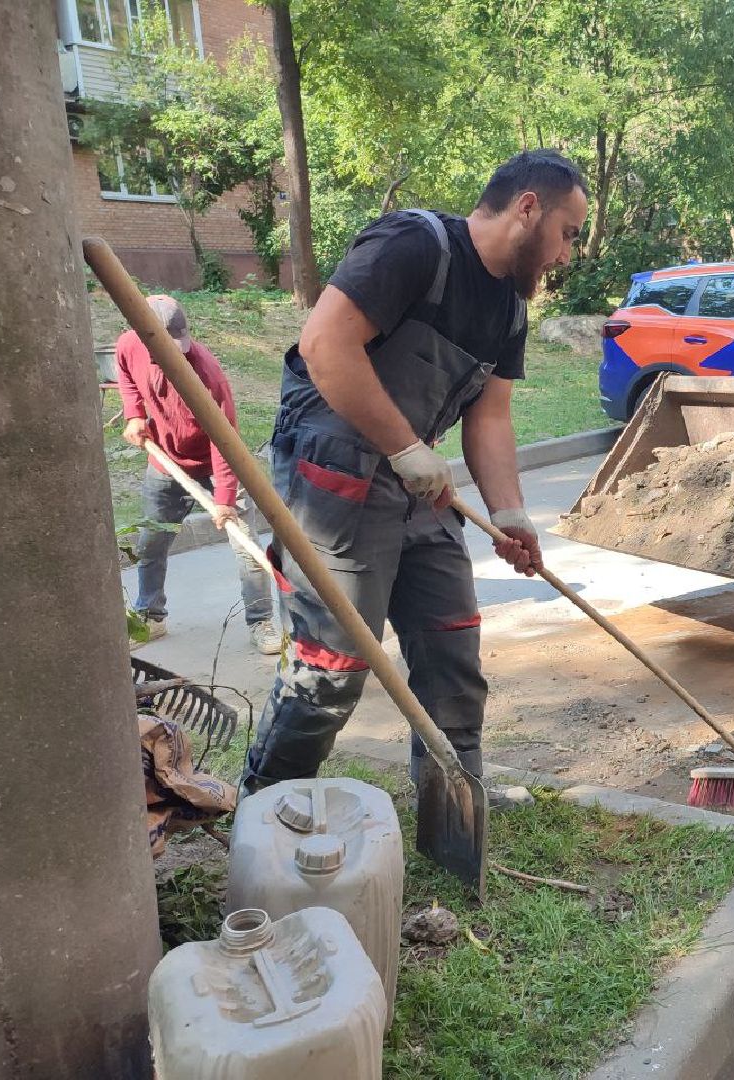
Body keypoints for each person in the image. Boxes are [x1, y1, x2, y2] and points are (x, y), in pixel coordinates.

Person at [240, 149, 589, 800]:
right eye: (568, 233)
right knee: (335, 665)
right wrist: (404, 447)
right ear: (528, 208)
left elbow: (490, 418)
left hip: (417, 479)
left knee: (451, 653)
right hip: (336, 467)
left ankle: (455, 819)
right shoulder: (415, 244)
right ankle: (263, 817)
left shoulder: (509, 309)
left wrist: (511, 516)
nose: (566, 254)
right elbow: (325, 345)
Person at [118, 294, 281, 654]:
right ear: (144, 336)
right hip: (165, 464)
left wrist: (224, 500)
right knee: (151, 542)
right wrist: (133, 414)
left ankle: (261, 621)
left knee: (246, 549)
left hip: (217, 465)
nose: (177, 352)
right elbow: (127, 378)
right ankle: (150, 616)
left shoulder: (206, 375)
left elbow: (225, 442)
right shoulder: (129, 344)